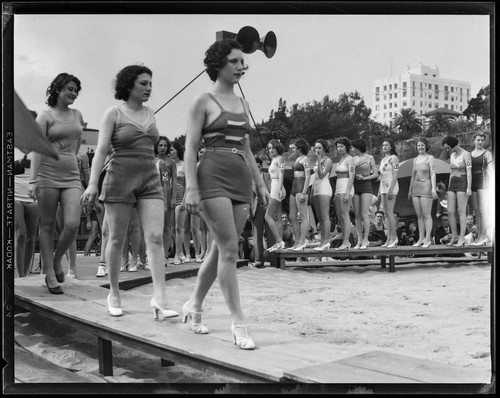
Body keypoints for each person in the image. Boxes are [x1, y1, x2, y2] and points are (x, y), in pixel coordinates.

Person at [183, 38, 269, 349]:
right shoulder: (202, 101)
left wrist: (260, 184)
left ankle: (193, 304)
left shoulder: (244, 104)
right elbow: (191, 148)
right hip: (211, 175)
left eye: (243, 62)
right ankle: (238, 322)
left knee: (220, 250)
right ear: (218, 64)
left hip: (240, 178)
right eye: (234, 61)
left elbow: (247, 148)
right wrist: (191, 188)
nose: (241, 67)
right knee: (230, 248)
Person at [81, 65, 178, 319]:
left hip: (149, 176)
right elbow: (101, 151)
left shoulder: (151, 113)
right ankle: (114, 292)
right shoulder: (113, 113)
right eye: (143, 83)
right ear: (129, 85)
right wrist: (92, 183)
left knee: (155, 237)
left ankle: (160, 297)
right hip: (120, 176)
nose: (149, 88)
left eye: (150, 84)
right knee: (116, 237)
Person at [28, 73, 85, 294]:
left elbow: (77, 141)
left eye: (75, 90)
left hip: (71, 176)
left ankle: (56, 259)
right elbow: (36, 149)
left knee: (72, 224)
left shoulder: (77, 114)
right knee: (48, 225)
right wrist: (33, 180)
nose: (73, 93)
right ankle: (50, 274)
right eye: (69, 89)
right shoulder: (45, 116)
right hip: (47, 176)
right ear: (58, 89)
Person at [442, 135, 472, 246]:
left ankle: (462, 237)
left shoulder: (466, 154)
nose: (447, 150)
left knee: (461, 211)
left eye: (448, 147)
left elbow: (469, 172)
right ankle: (454, 235)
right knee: (449, 211)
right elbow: (451, 172)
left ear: (453, 145)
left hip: (463, 181)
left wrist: (469, 187)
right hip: (452, 183)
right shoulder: (452, 155)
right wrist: (448, 187)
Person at [408, 138, 437, 248]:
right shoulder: (415, 160)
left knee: (426, 214)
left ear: (426, 146)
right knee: (419, 215)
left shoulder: (430, 158)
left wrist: (433, 188)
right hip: (416, 187)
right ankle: (421, 238)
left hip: (426, 186)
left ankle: (428, 238)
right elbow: (413, 176)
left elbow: (433, 174)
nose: (420, 147)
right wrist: (410, 190)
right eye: (418, 145)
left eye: (422, 145)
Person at [14, 151, 40, 277]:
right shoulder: (10, 142)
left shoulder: (38, 144)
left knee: (31, 238)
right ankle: (20, 275)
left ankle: (25, 272)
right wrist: (19, 163)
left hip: (33, 194)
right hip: (14, 193)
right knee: (20, 234)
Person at [350, 138, 378, 250]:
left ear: (358, 147)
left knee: (364, 213)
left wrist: (365, 177)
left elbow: (376, 173)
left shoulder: (369, 157)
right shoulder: (353, 159)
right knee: (356, 214)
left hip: (366, 185)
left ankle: (366, 239)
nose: (352, 149)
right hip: (355, 186)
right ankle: (359, 240)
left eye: (353, 147)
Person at [155, 136, 177, 265]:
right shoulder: (152, 160)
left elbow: (173, 180)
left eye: (165, 145)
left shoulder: (171, 162)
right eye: (160, 145)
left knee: (166, 226)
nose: (163, 148)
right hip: (153, 194)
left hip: (167, 193)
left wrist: (173, 196)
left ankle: (165, 255)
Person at [287, 138, 312, 251]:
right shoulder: (298, 158)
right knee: (292, 216)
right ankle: (297, 240)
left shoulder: (306, 159)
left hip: (301, 185)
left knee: (302, 216)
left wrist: (304, 192)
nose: (293, 150)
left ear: (300, 148)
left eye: (295, 148)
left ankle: (302, 241)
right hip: (294, 185)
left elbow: (308, 176)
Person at [469, 131, 493, 246]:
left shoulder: (487, 154)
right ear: (474, 140)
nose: (480, 142)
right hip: (472, 182)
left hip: (483, 182)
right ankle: (479, 237)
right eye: (478, 140)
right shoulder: (469, 154)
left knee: (483, 210)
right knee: (476, 211)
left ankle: (484, 236)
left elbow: (491, 170)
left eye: (482, 140)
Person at [311, 139, 334, 251]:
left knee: (325, 216)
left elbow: (321, 174)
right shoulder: (317, 161)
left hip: (324, 188)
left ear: (324, 149)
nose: (317, 150)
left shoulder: (328, 160)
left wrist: (319, 160)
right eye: (316, 148)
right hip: (316, 188)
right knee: (319, 217)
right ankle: (322, 241)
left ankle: (326, 241)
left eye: (319, 148)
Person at [333, 137, 355, 250]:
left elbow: (352, 175)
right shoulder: (341, 159)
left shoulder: (350, 159)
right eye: (338, 147)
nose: (339, 149)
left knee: (345, 215)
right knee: (340, 216)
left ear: (346, 147)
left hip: (346, 186)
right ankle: (344, 239)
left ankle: (347, 241)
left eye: (341, 146)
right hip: (338, 187)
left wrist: (347, 192)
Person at [250, 157, 273, 268]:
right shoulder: (249, 178)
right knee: (257, 234)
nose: (256, 168)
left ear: (261, 166)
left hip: (268, 206)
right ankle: (259, 260)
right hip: (256, 207)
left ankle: (274, 259)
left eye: (258, 166)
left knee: (271, 233)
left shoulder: (268, 176)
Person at [377, 139, 400, 248]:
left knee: (390, 212)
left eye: (387, 145)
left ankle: (394, 238)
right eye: (383, 145)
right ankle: (389, 238)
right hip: (382, 186)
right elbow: (381, 176)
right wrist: (379, 191)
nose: (384, 147)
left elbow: (395, 174)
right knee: (385, 213)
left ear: (391, 146)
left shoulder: (394, 158)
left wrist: (391, 189)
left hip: (391, 185)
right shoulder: (382, 160)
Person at [265, 139, 287, 252]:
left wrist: (280, 188)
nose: (271, 150)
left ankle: (279, 241)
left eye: (273, 147)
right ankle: (279, 242)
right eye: (269, 148)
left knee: (267, 216)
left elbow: (282, 173)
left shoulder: (280, 158)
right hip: (274, 186)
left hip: (277, 187)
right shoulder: (274, 159)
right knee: (277, 216)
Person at [171, 141, 190, 264]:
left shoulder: (184, 165)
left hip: (181, 199)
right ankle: (180, 252)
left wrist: (184, 201)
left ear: (178, 150)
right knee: (172, 228)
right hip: (171, 198)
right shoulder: (170, 164)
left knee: (179, 227)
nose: (170, 152)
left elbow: (189, 185)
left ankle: (177, 255)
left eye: (172, 150)